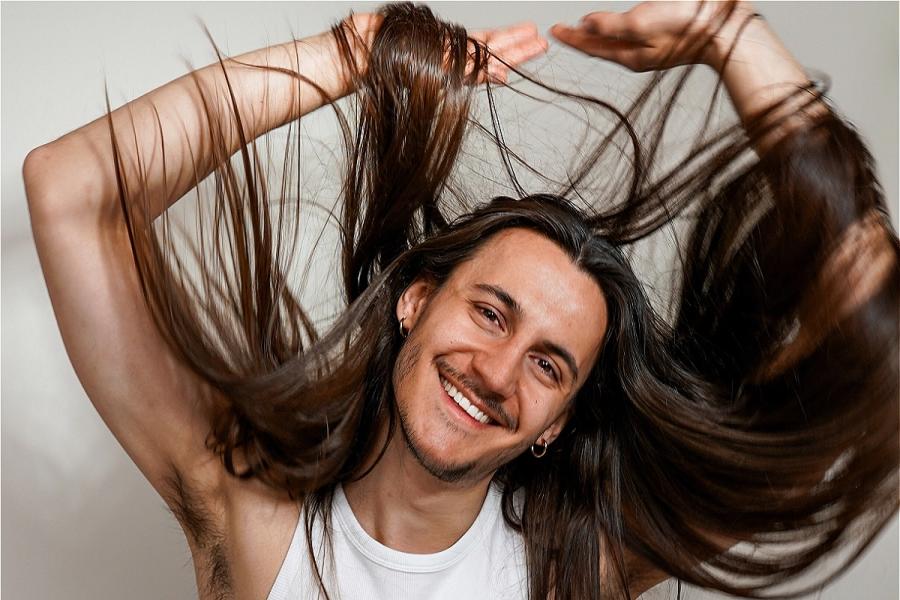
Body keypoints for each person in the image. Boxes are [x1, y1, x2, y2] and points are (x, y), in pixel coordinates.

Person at [23, 2, 898, 599]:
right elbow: (72, 187)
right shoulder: (249, 509)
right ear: (415, 301)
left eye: (550, 365)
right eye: (491, 312)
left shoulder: (574, 569)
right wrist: (349, 59)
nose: (497, 370)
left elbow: (877, 362)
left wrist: (730, 34)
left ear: (557, 421)